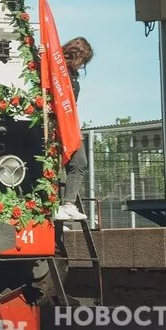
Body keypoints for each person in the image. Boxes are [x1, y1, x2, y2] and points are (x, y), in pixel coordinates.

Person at [56, 37, 94, 222]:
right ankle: (64, 205)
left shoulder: (69, 73)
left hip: (69, 123)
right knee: (77, 163)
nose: (83, 65)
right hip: (60, 124)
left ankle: (68, 204)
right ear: (77, 55)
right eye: (84, 61)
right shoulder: (58, 68)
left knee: (78, 163)